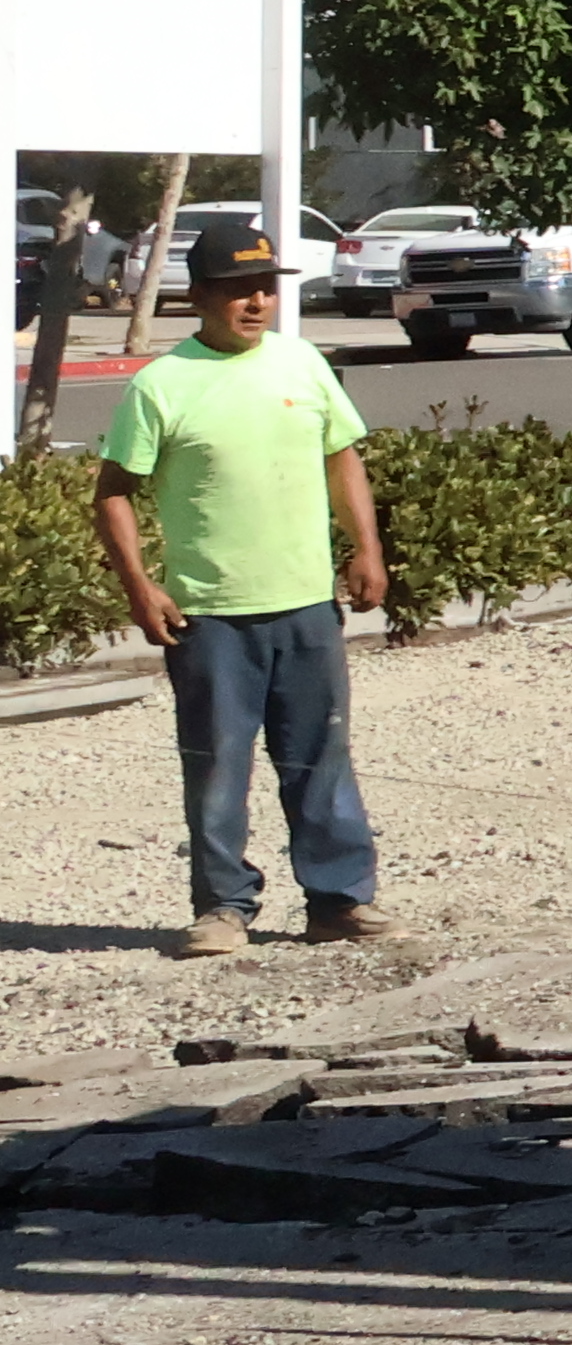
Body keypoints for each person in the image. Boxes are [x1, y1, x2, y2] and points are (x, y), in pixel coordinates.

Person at [92, 237, 394, 959]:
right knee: (219, 763)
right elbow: (113, 493)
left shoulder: (301, 362)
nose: (257, 301)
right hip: (210, 615)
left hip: (304, 605)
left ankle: (338, 901)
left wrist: (367, 548)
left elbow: (340, 457)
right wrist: (141, 586)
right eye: (239, 288)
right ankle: (223, 907)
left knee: (320, 755)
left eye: (265, 285)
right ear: (197, 296)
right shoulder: (162, 385)